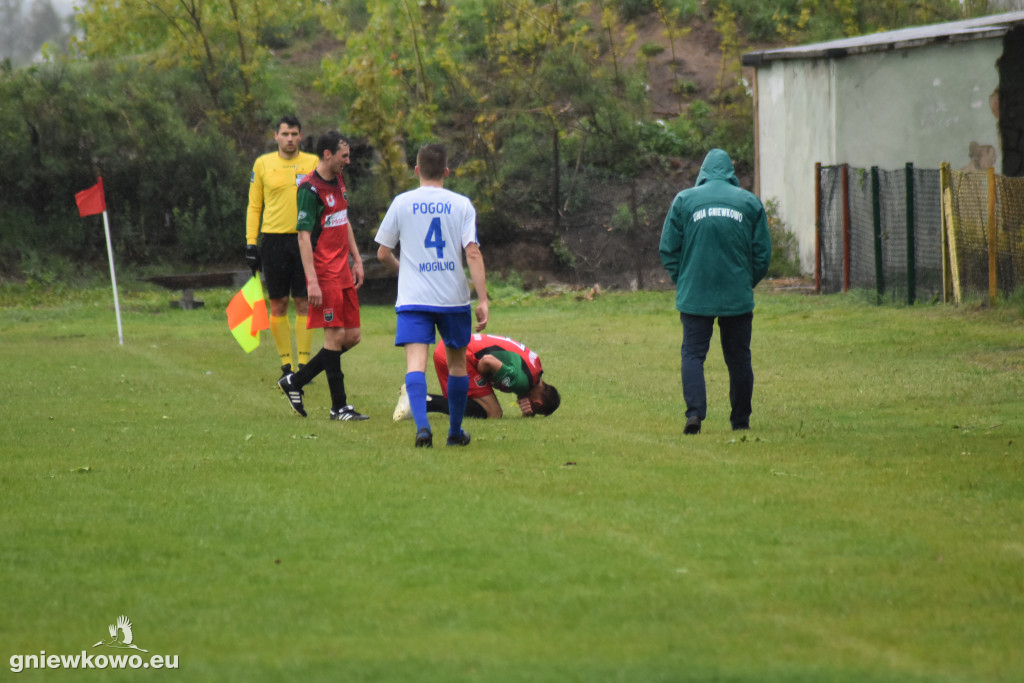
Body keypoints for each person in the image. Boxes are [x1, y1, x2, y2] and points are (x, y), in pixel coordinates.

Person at [375, 143, 489, 448]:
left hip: (414, 298)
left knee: (416, 364)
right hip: (452, 298)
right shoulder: (462, 204)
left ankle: (423, 429)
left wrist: (405, 271)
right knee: (456, 366)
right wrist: (483, 298)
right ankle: (454, 432)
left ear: (416, 171)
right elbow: (473, 252)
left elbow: (383, 253)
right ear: (447, 172)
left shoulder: (401, 203)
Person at [659, 148, 772, 435]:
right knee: (739, 358)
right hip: (737, 297)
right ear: (731, 172)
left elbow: (668, 249)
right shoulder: (749, 202)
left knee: (693, 355)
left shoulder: (684, 200)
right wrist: (746, 281)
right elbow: (762, 255)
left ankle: (694, 414)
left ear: (703, 172)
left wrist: (684, 278)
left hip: (695, 296)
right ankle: (741, 420)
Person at [277, 131, 368, 421]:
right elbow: (303, 238)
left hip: (343, 270)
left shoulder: (338, 180)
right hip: (324, 272)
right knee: (334, 336)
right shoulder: (309, 190)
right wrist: (312, 280)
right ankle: (338, 407)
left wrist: (356, 258)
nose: (348, 160)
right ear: (327, 154)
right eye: (344, 155)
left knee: (352, 336)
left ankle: (295, 381)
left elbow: (343, 219)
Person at [246, 115, 319, 380]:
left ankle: (304, 366)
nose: (290, 139)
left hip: (304, 239)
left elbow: (324, 200)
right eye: (285, 134)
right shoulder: (263, 164)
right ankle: (286, 365)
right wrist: (251, 243)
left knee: (305, 302)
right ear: (275, 135)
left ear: (301, 136)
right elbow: (255, 206)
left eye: (295, 134)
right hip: (273, 240)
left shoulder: (312, 163)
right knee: (277, 304)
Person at [392, 334, 559, 420]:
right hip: (458, 355)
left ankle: (417, 399)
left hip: (454, 346)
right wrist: (481, 380)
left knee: (478, 405)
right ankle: (417, 400)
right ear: (537, 402)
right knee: (493, 413)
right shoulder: (522, 382)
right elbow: (487, 361)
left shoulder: (536, 368)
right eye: (534, 410)